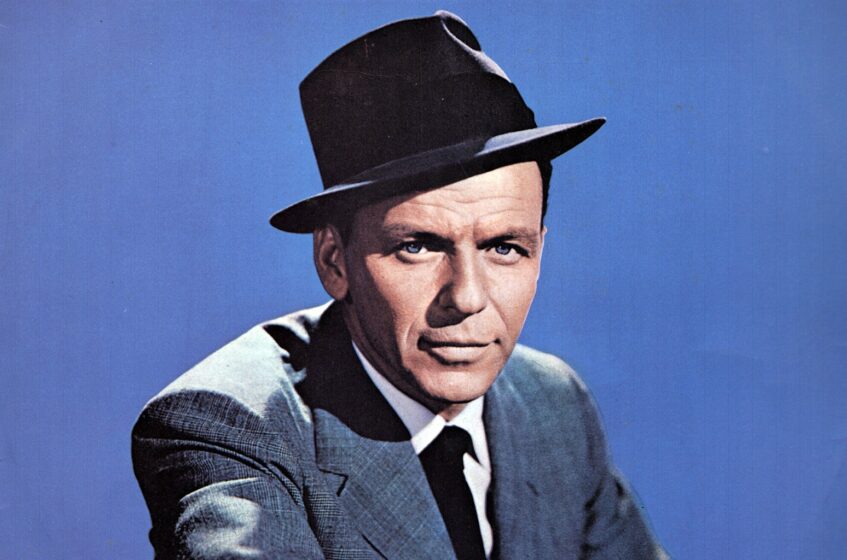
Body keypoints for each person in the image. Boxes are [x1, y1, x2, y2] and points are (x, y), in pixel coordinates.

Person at [132, 11, 667, 560]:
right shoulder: (229, 426)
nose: (467, 298)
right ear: (334, 261)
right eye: (418, 247)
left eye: (504, 248)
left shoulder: (553, 403)